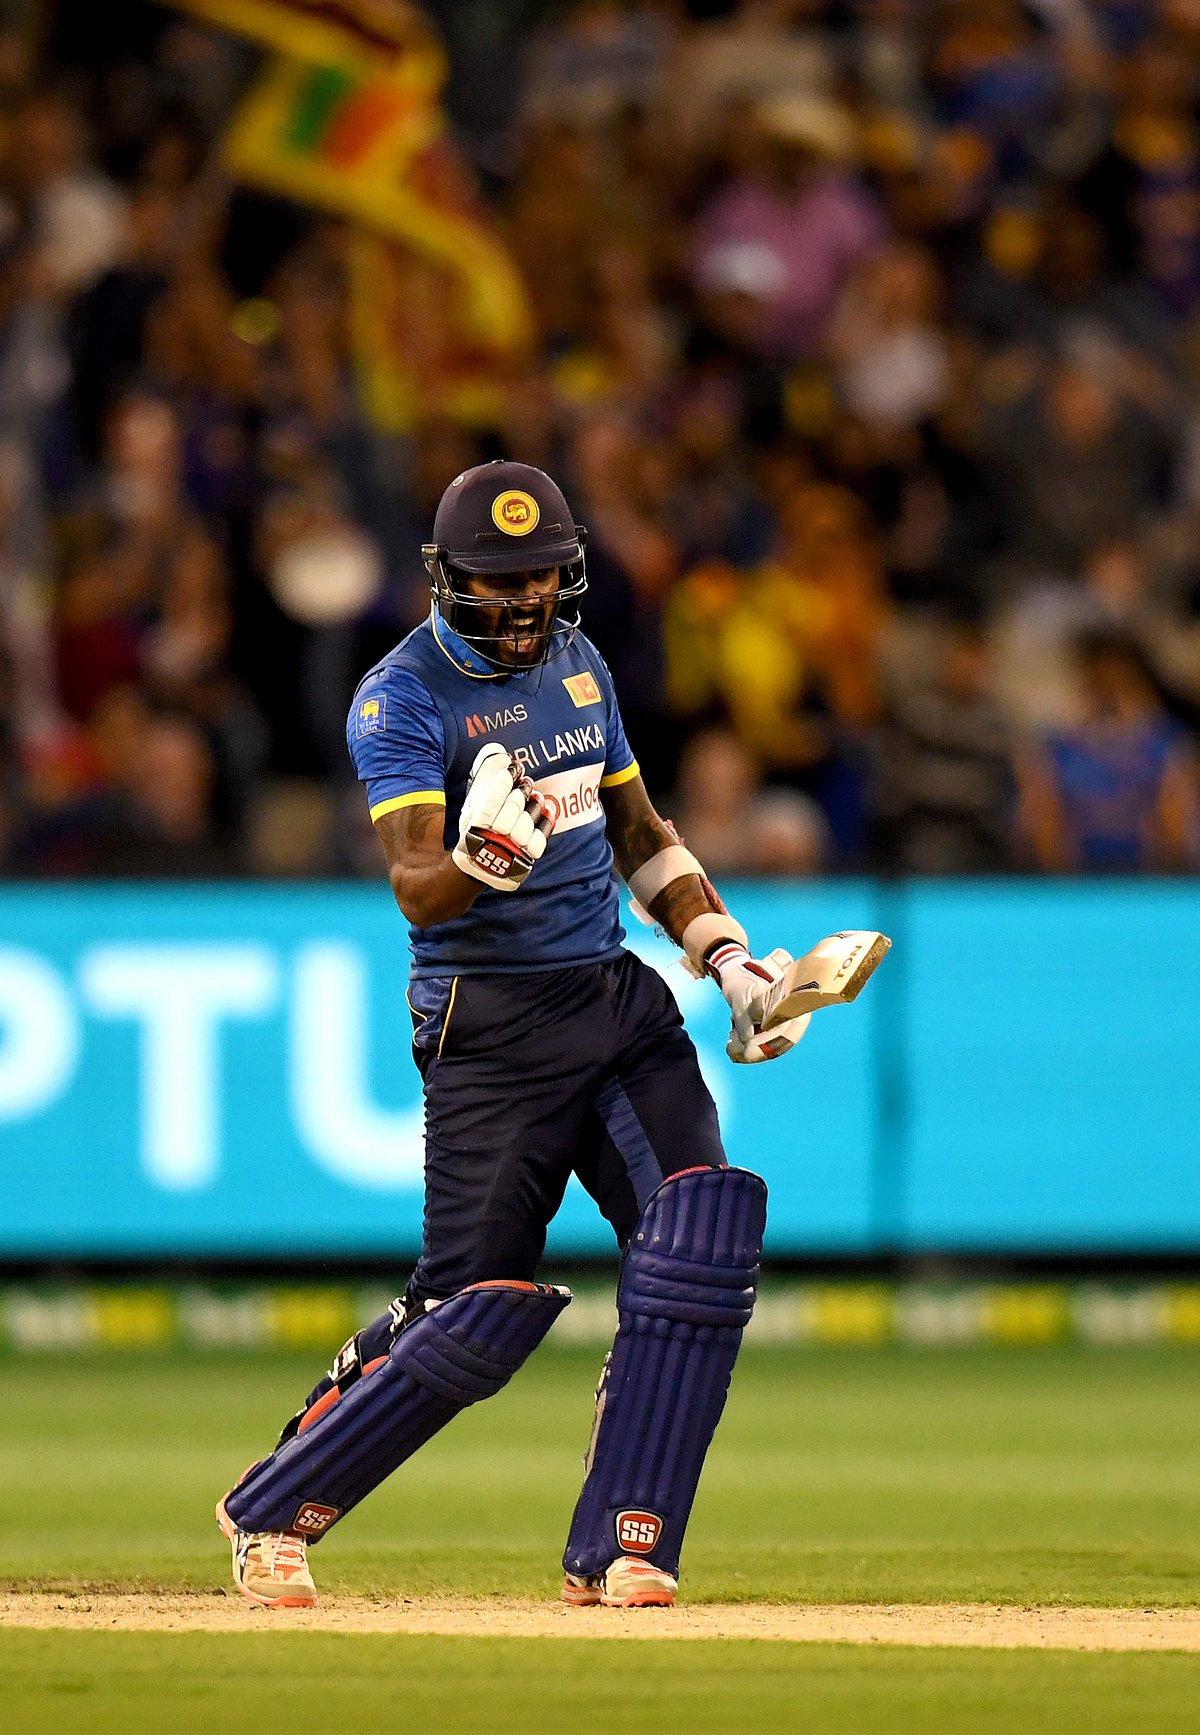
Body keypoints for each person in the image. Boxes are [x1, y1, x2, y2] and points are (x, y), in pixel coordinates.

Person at [214, 459, 852, 1612]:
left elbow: (640, 833)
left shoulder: (581, 661)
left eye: (540, 580)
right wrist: (471, 864)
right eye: (496, 584)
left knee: (699, 1235)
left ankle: (625, 1541)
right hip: (490, 1024)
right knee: (472, 1313)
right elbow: (414, 886)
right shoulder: (398, 698)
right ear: (447, 579)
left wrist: (730, 963)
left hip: (612, 995)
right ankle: (272, 1503)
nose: (521, 607)